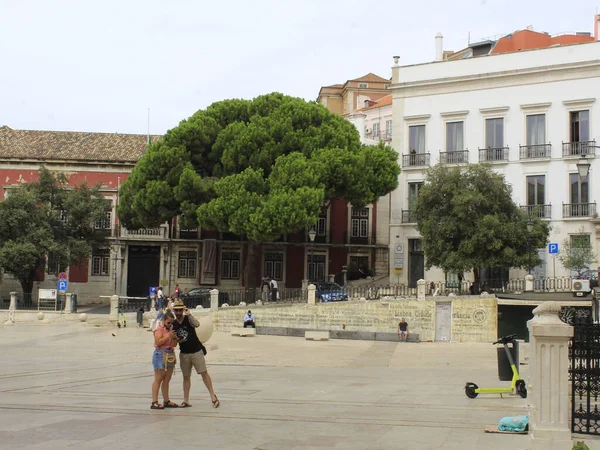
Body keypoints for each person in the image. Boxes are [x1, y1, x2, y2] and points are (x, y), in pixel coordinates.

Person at [172, 299, 219, 408]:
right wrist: (176, 340)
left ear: (183, 310)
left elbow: (197, 324)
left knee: (204, 373)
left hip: (196, 350)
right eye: (176, 310)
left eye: (180, 310)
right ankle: (186, 400)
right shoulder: (174, 324)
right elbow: (174, 343)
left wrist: (189, 314)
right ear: (174, 311)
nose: (178, 312)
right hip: (184, 353)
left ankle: (213, 396)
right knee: (186, 377)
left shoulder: (188, 319)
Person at [151, 311, 179, 409]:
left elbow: (174, 344)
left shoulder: (170, 330)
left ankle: (166, 400)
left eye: (171, 323)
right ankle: (154, 401)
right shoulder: (159, 329)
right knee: (159, 378)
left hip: (170, 354)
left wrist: (174, 338)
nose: (170, 325)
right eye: (168, 322)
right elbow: (158, 342)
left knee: (167, 379)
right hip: (160, 354)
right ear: (164, 320)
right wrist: (168, 336)